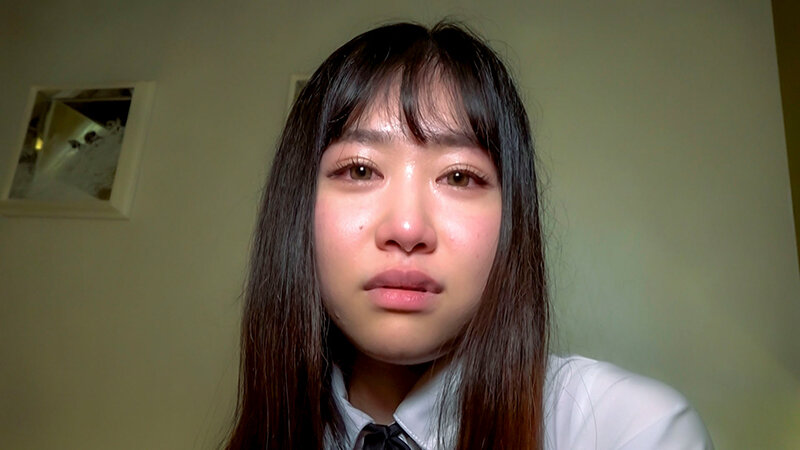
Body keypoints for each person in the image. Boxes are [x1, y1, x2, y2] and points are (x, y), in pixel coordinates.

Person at [225, 21, 714, 450]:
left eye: (458, 176)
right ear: (298, 206)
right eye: (360, 170)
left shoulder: (625, 430)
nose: (407, 229)